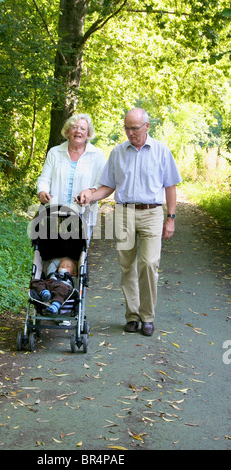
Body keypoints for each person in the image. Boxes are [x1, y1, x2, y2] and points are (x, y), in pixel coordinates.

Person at [77, 108, 182, 336]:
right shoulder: (117, 152)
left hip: (152, 213)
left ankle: (147, 317)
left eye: (134, 128)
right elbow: (108, 185)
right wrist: (90, 195)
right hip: (124, 213)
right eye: (126, 128)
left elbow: (170, 186)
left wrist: (170, 218)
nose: (130, 133)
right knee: (127, 266)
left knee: (149, 263)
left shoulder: (162, 151)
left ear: (147, 126)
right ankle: (132, 316)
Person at [37, 113, 106, 237]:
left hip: (83, 215)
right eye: (74, 127)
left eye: (82, 128)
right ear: (67, 132)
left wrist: (90, 191)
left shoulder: (97, 155)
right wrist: (42, 191)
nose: (78, 131)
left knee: (76, 256)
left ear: (88, 134)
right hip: (56, 214)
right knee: (54, 255)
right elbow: (44, 179)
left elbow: (101, 185)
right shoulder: (54, 153)